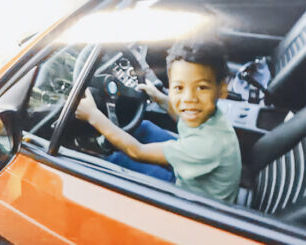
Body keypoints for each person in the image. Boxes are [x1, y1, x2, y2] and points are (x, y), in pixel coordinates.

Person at [75, 40, 242, 203]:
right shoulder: (209, 116)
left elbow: (137, 152)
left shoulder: (205, 145)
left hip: (190, 198)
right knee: (144, 128)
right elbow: (183, 115)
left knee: (113, 161)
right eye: (179, 88)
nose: (189, 99)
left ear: (222, 90)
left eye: (202, 87)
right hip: (197, 174)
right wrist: (160, 98)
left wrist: (93, 116)